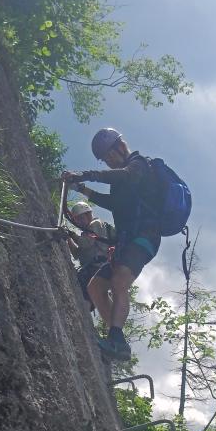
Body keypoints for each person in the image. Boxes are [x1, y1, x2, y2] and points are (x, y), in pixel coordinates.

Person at [62, 128, 162, 361]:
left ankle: (116, 339)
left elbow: (125, 176)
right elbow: (113, 204)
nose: (108, 163)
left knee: (119, 281)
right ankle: (116, 340)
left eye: (109, 157)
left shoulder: (139, 165)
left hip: (144, 237)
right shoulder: (122, 178)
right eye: (104, 160)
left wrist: (84, 174)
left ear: (120, 147)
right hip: (127, 240)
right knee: (95, 287)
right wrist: (83, 190)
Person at [66, 201, 116, 310]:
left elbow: (86, 243)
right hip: (93, 268)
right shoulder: (86, 233)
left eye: (81, 218)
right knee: (86, 295)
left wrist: (72, 235)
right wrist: (68, 239)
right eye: (77, 220)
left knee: (87, 295)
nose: (79, 222)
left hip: (97, 268)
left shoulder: (96, 224)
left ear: (88, 214)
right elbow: (77, 254)